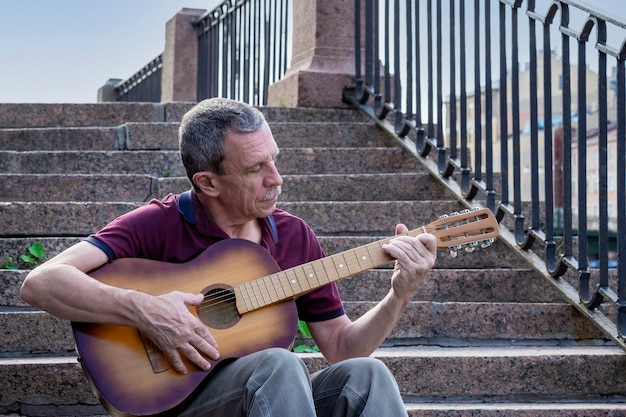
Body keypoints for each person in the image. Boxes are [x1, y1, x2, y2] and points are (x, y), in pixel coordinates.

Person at [20, 97, 437, 417]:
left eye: (274, 159)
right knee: (278, 366)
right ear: (208, 182)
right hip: (172, 400)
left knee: (368, 375)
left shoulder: (293, 237)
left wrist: (399, 294)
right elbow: (41, 282)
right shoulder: (160, 222)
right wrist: (145, 310)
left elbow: (343, 349)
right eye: (256, 168)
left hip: (268, 398)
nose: (277, 178)